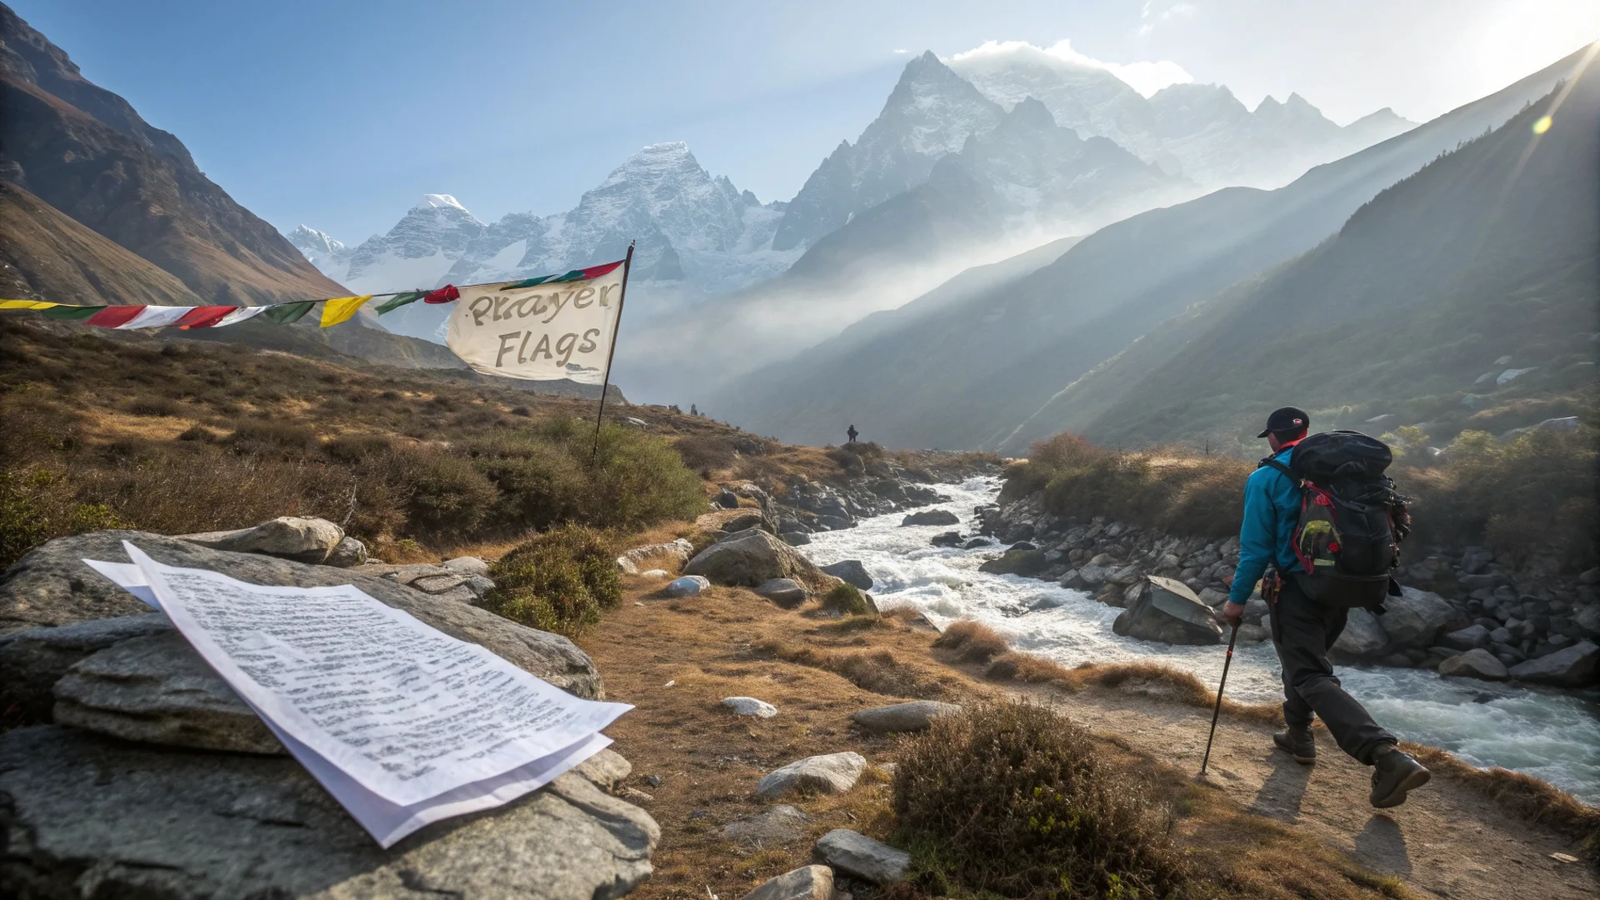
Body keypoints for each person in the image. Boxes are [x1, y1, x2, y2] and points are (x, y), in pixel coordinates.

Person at [1222, 407, 1430, 809]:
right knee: (1306, 663)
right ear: (1307, 433)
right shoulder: (1351, 473)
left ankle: (1384, 755)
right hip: (1347, 586)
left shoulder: (1266, 477)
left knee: (1308, 671)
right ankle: (1298, 736)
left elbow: (1255, 549)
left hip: (1295, 588)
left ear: (1273, 437)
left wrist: (1236, 601)